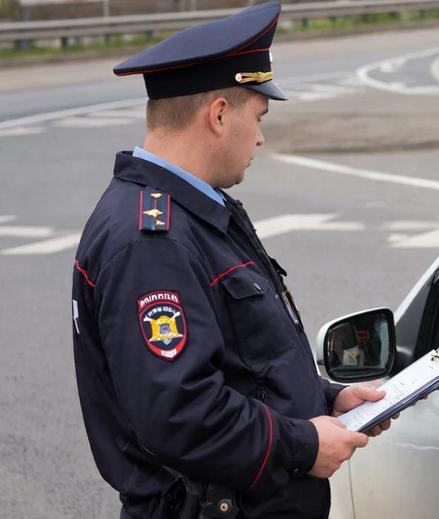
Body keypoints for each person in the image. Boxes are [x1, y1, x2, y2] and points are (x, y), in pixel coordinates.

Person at [70, 4, 391, 518]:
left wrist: (324, 401)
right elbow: (180, 413)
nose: (261, 137)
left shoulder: (190, 213)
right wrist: (303, 444)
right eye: (257, 117)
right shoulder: (152, 241)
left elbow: (238, 363)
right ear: (219, 115)